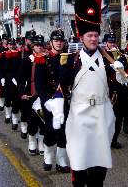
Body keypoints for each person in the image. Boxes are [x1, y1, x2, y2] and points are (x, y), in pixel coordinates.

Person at [54, 0, 125, 186]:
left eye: (95, 35)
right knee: (79, 163)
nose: (93, 39)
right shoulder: (71, 60)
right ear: (81, 37)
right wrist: (58, 108)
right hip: (79, 116)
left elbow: (119, 85)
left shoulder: (110, 59)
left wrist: (121, 74)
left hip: (102, 116)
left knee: (99, 167)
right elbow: (61, 86)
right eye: (89, 36)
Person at [35, 29, 70, 172]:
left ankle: (61, 160)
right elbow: (39, 84)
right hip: (49, 101)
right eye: (56, 41)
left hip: (64, 99)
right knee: (50, 129)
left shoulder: (69, 58)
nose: (59, 43)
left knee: (64, 130)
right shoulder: (42, 59)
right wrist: (46, 101)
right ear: (51, 43)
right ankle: (48, 156)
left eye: (61, 40)